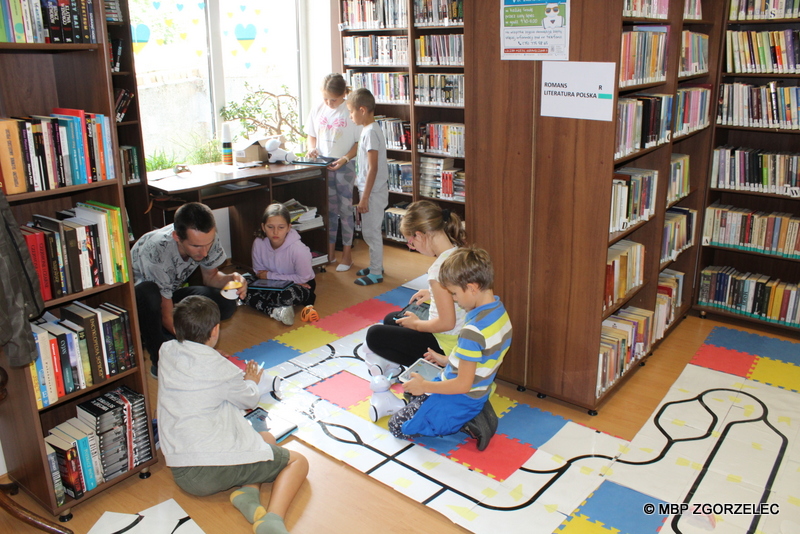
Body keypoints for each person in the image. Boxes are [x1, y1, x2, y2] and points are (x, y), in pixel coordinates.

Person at [157, 295, 308, 534]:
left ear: (176, 328)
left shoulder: (166, 350)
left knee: (266, 440)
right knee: (299, 461)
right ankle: (273, 520)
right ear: (215, 329)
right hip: (211, 469)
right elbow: (249, 398)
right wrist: (251, 380)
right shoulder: (220, 368)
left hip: (180, 468)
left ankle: (247, 493)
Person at [387, 247, 512, 451]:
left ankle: (468, 422)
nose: (453, 299)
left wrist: (426, 386)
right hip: (477, 390)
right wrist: (448, 361)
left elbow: (462, 384)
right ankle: (471, 410)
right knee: (415, 395)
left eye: (454, 293)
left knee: (397, 426)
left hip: (460, 397)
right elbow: (485, 358)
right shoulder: (498, 312)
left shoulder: (473, 331)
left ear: (472, 288)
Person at [132, 202, 247, 378]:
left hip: (169, 294)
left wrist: (233, 280)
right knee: (149, 294)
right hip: (142, 304)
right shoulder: (157, 251)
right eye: (196, 247)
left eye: (208, 244)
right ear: (177, 236)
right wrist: (202, 350)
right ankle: (159, 358)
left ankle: (172, 339)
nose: (204, 252)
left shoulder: (206, 238)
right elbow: (166, 314)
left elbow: (211, 278)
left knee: (225, 302)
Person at [363, 200, 467, 376]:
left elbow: (446, 323)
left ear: (419, 235)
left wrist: (417, 325)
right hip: (460, 335)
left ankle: (439, 369)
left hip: (446, 345)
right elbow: (456, 293)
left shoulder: (438, 271)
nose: (413, 247)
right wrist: (433, 294)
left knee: (374, 335)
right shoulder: (459, 252)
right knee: (393, 319)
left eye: (411, 243)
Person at [304, 73, 361, 272]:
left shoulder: (350, 111)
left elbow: (358, 143)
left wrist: (344, 158)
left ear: (344, 94)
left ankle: (347, 254)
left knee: (345, 211)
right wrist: (312, 148)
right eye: (325, 98)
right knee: (328, 211)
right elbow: (311, 135)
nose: (329, 103)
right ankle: (329, 253)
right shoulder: (318, 108)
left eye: (333, 99)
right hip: (322, 166)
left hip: (344, 164)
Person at [243, 203, 316, 326]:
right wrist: (268, 278)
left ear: (289, 227)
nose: (275, 232)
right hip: (270, 281)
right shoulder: (258, 243)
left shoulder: (298, 249)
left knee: (286, 297)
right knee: (241, 285)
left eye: (281, 227)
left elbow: (303, 277)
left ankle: (261, 302)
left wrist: (270, 276)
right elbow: (259, 272)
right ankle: (275, 311)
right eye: (270, 227)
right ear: (263, 227)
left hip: (299, 283)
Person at [347, 87, 389, 286]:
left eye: (351, 111)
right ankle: (376, 265)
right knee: (368, 232)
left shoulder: (371, 132)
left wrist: (364, 197)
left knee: (371, 232)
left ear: (362, 110)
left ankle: (375, 272)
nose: (350, 116)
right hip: (367, 189)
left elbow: (373, 168)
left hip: (372, 192)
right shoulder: (367, 129)